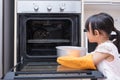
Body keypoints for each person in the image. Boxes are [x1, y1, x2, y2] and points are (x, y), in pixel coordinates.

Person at [57, 13, 120, 80]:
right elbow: (91, 56)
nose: (86, 33)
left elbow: (86, 62)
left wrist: (62, 59)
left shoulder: (107, 47)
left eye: (87, 31)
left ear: (96, 33)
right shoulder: (105, 46)